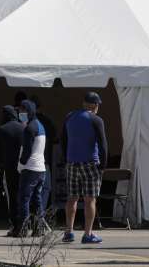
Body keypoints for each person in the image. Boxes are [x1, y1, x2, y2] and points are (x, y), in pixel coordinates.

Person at [62, 91, 109, 245]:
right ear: (95, 105)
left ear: (84, 103)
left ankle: (68, 232)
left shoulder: (69, 117)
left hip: (71, 163)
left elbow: (64, 140)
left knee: (72, 198)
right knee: (90, 200)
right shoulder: (96, 120)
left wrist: (66, 159)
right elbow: (103, 144)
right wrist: (103, 165)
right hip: (90, 163)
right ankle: (87, 234)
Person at [0, 105, 26, 237]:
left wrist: (2, 163)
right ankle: (26, 224)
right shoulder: (23, 128)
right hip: (24, 167)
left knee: (12, 196)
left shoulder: (1, 129)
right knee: (24, 195)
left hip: (9, 168)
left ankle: (15, 226)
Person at [16, 99, 48, 236]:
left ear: (29, 111)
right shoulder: (40, 125)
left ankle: (23, 230)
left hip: (30, 168)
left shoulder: (29, 128)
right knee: (37, 199)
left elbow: (27, 150)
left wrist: (21, 164)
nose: (20, 113)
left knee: (24, 199)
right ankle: (38, 229)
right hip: (41, 168)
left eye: (22, 110)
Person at [30, 94, 58, 212]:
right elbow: (55, 138)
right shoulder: (48, 121)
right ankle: (40, 215)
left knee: (30, 191)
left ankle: (32, 215)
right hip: (45, 160)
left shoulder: (28, 122)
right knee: (45, 189)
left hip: (30, 161)